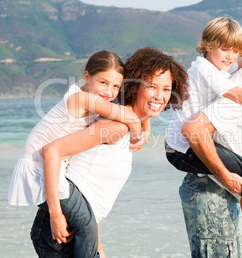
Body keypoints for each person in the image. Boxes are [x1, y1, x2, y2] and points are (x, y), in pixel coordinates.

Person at [31, 47, 189, 257]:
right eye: (152, 86)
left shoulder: (125, 121)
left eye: (167, 89)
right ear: (134, 85)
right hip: (61, 232)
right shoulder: (115, 126)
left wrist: (99, 249)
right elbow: (53, 152)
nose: (160, 96)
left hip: (77, 228)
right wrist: (55, 215)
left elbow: (90, 195)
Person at [165, 17, 242, 257]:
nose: (231, 56)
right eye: (225, 49)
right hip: (184, 150)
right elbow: (240, 97)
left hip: (194, 159)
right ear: (207, 45)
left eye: (236, 51)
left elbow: (240, 63)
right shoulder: (208, 70)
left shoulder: (222, 67)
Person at [8, 50, 145, 257]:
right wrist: (138, 131)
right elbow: (128, 115)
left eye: (116, 86)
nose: (109, 92)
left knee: (88, 224)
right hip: (39, 169)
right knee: (87, 224)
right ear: (87, 77)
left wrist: (145, 124)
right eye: (103, 83)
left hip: (49, 169)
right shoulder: (81, 98)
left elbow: (130, 111)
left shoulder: (90, 98)